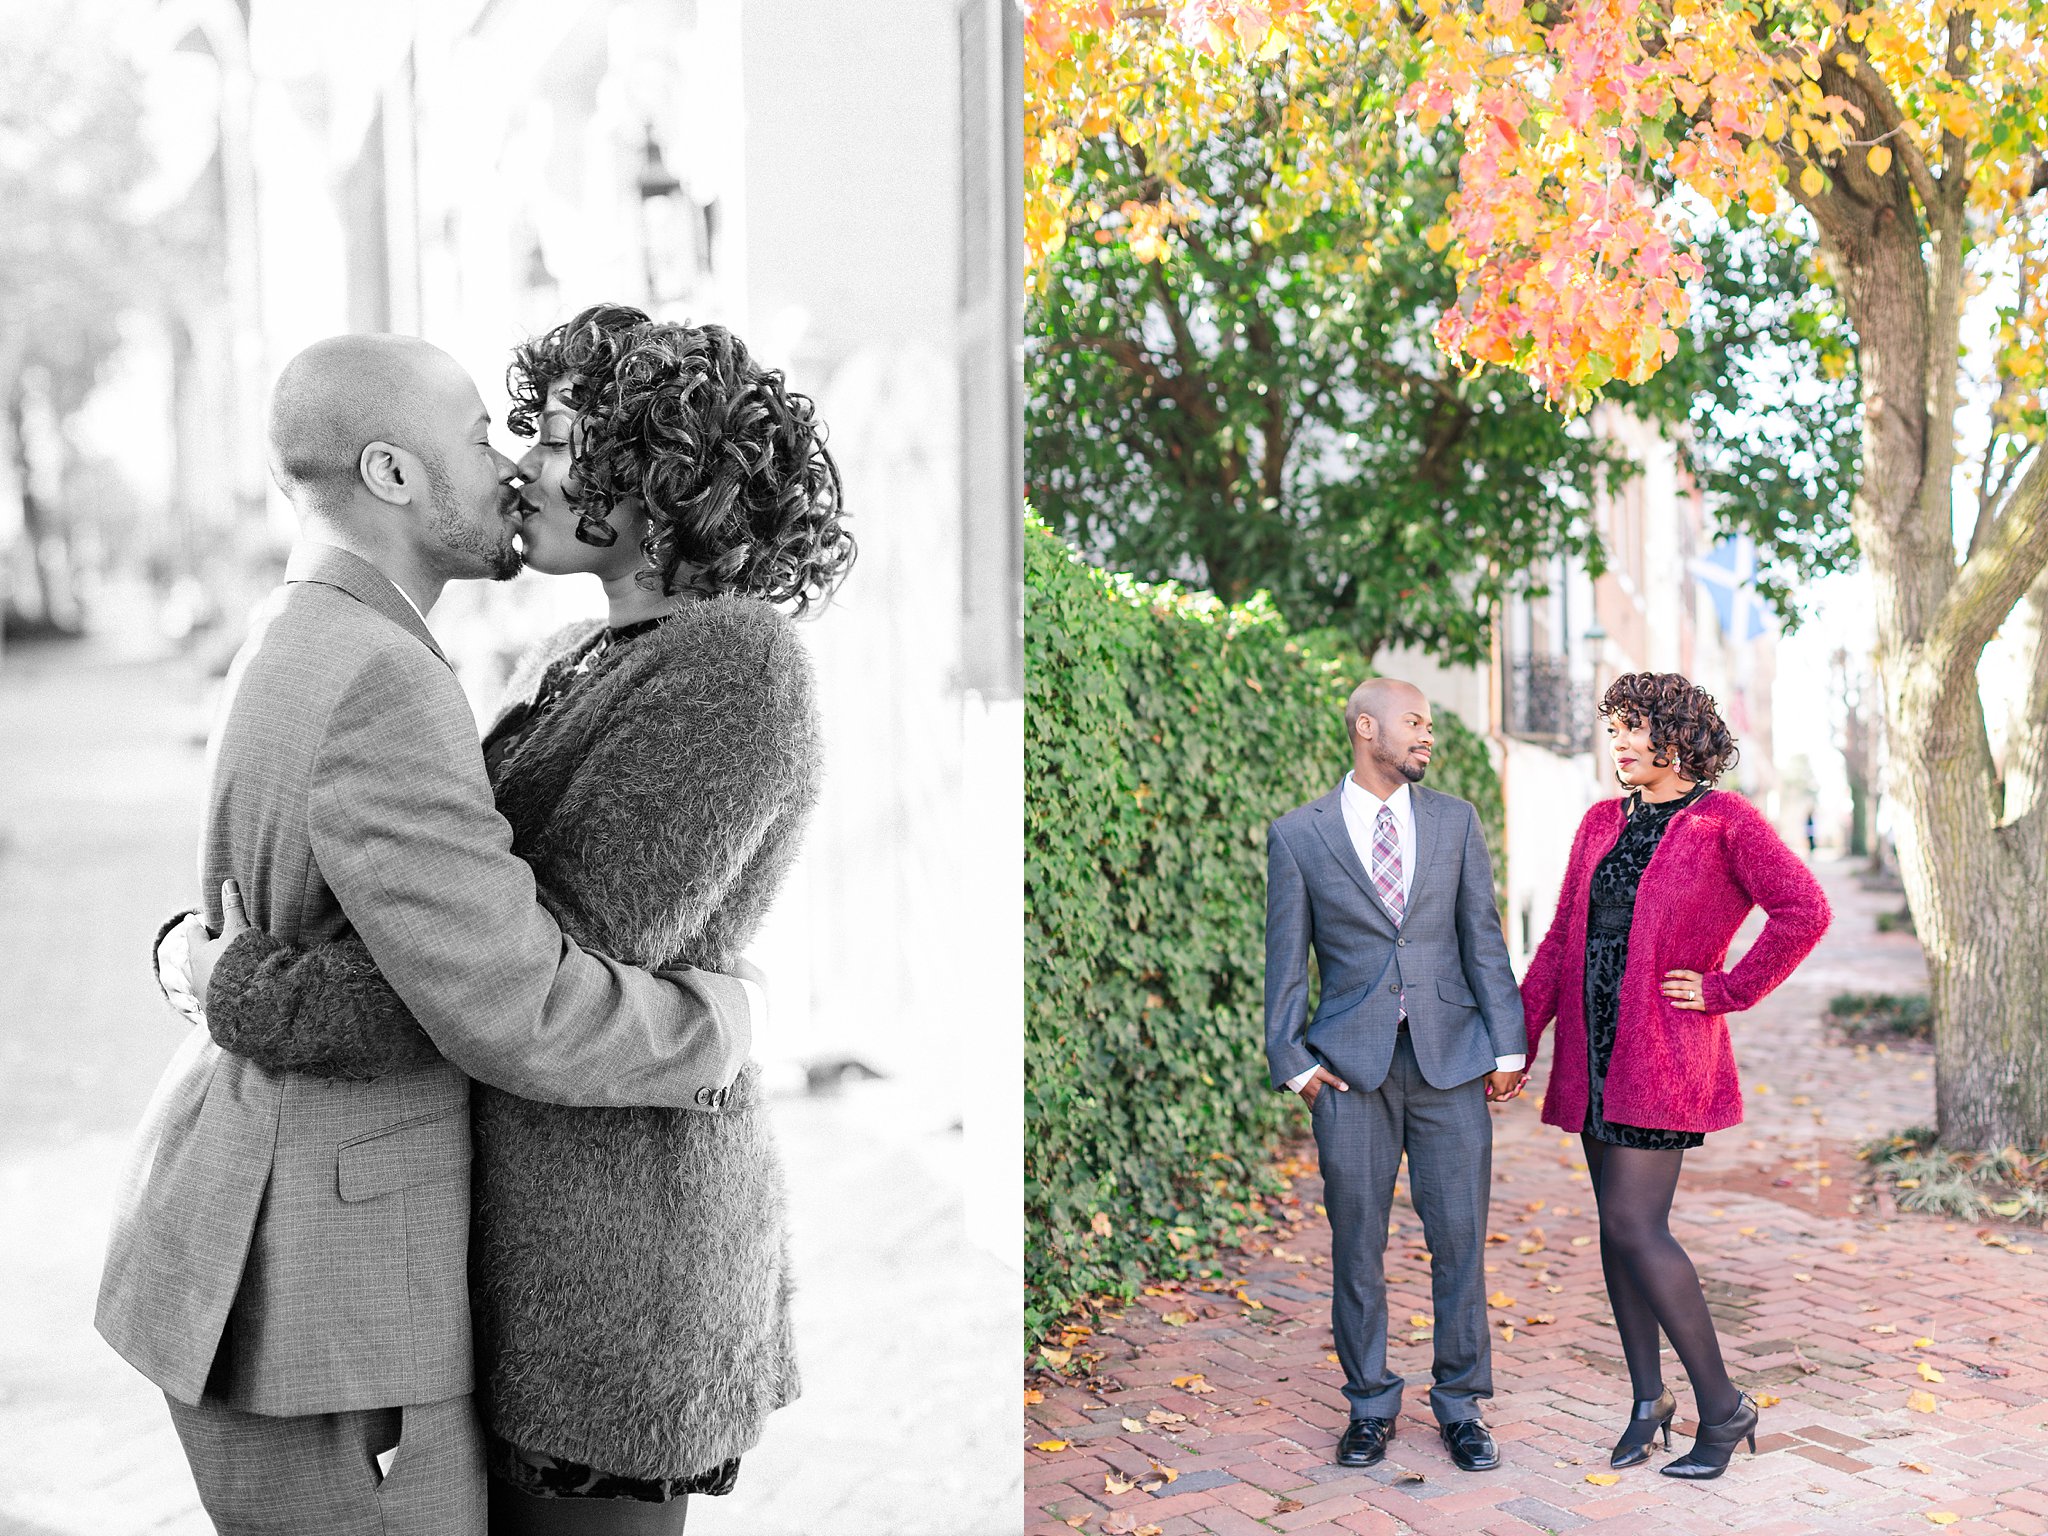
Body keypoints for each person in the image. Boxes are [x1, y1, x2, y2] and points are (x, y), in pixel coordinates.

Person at [176, 304, 854, 1533]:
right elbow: (448, 933)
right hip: (526, 1233)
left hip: (617, 1263)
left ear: (652, 472)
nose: (517, 467)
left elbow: (519, 981)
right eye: (514, 434)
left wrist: (242, 988)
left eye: (548, 437)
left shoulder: (734, 668)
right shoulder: (580, 650)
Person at [1519, 672, 1829, 1480]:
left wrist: (1727, 989)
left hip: (1662, 1058)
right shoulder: (1598, 823)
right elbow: (1561, 940)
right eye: (1612, 728)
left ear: (1678, 733)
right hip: (1593, 1058)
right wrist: (1519, 1040)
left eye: (1633, 728)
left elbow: (1805, 909)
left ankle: (1723, 1409)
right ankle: (1647, 1401)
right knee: (1616, 1238)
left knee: (1635, 1227)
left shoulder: (1725, 821)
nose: (1618, 742)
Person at [1263, 678, 1528, 1474]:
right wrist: (1296, 1066)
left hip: (1451, 1062)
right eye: (1415, 722)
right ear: (1366, 727)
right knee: (1356, 1247)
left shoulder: (1455, 820)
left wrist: (1507, 1045)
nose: (1428, 735)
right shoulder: (1298, 834)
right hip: (1350, 1074)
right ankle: (1370, 1404)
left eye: (1430, 724)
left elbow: (1482, 935)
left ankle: (1460, 1406)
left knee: (1459, 1242)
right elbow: (1285, 965)